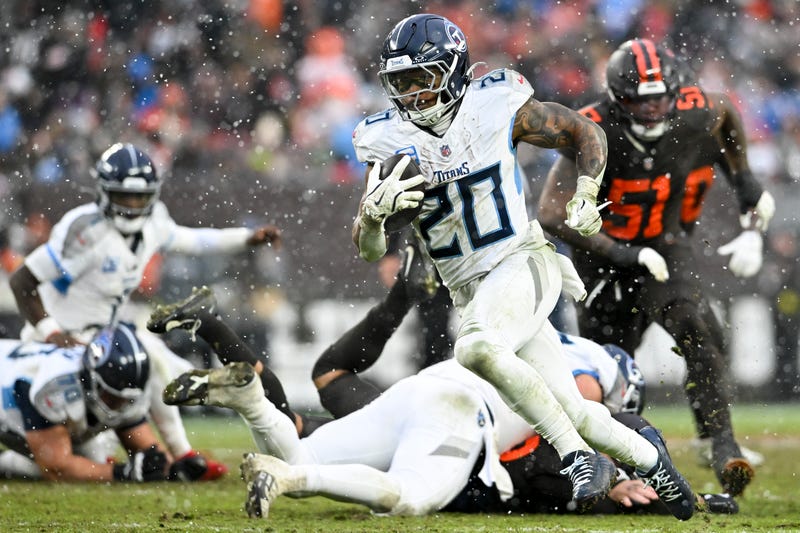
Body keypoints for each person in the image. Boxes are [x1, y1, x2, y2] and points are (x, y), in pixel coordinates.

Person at [349, 13, 693, 519]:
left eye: (423, 78)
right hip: (472, 288)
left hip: (523, 259)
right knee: (574, 408)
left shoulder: (496, 104)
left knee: (476, 347)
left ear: (453, 70)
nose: (413, 92)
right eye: (401, 82)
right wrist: (372, 218)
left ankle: (576, 455)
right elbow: (370, 250)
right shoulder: (386, 141)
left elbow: (584, 130)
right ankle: (658, 467)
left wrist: (587, 192)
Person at [150, 281, 736, 518]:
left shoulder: (538, 325)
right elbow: (601, 425)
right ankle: (287, 479)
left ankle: (252, 401)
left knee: (308, 437)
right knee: (407, 501)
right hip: (460, 415)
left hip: (424, 387)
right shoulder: (592, 376)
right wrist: (658, 486)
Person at [536, 38, 776, 497]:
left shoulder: (695, 109)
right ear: (617, 99)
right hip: (604, 259)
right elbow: (551, 211)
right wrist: (623, 254)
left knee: (697, 328)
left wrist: (745, 183)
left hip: (665, 246)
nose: (653, 111)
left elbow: (724, 111)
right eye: (640, 102)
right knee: (608, 365)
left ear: (676, 91)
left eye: (661, 99)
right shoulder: (592, 128)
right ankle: (607, 459)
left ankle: (721, 442)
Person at [8, 141, 281, 479]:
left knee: (148, 371)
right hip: (60, 345)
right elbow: (22, 281)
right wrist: (52, 333)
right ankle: (180, 456)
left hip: (100, 339)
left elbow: (194, 240)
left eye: (140, 196)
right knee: (148, 366)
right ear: (106, 192)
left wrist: (245, 238)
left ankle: (178, 456)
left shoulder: (154, 224)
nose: (134, 205)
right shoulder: (83, 230)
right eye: (125, 196)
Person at [0, 323, 207, 482]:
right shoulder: (54, 385)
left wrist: (173, 469)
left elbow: (146, 450)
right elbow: (57, 468)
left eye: (126, 398)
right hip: (8, 376)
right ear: (91, 378)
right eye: (113, 396)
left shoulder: (120, 389)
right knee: (61, 463)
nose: (120, 404)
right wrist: (123, 473)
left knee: (93, 462)